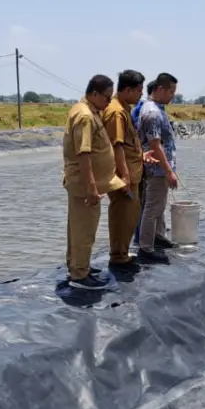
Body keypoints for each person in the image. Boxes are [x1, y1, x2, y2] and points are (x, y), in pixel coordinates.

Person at [62, 75, 126, 289]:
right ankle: (80, 275)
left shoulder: (89, 111)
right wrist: (91, 188)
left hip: (86, 184)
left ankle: (78, 266)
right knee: (84, 230)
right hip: (84, 186)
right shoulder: (85, 116)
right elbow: (84, 154)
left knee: (78, 228)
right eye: (107, 97)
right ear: (95, 93)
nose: (109, 102)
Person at [103, 70, 146, 273]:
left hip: (131, 172)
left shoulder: (124, 108)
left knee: (129, 215)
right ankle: (118, 256)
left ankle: (122, 252)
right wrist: (125, 176)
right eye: (139, 90)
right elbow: (116, 146)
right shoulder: (116, 112)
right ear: (127, 90)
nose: (141, 95)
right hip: (123, 175)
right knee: (122, 215)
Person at [137, 73, 180, 263]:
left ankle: (158, 237)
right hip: (156, 168)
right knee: (152, 207)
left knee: (159, 204)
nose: (173, 95)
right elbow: (155, 144)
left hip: (161, 167)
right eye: (171, 91)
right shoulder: (152, 112)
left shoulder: (158, 108)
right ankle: (146, 248)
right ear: (160, 89)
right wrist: (169, 171)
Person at [131, 76, 159, 247]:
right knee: (144, 203)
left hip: (143, 159)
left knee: (146, 203)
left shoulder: (144, 108)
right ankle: (141, 239)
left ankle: (144, 236)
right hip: (144, 162)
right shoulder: (145, 110)